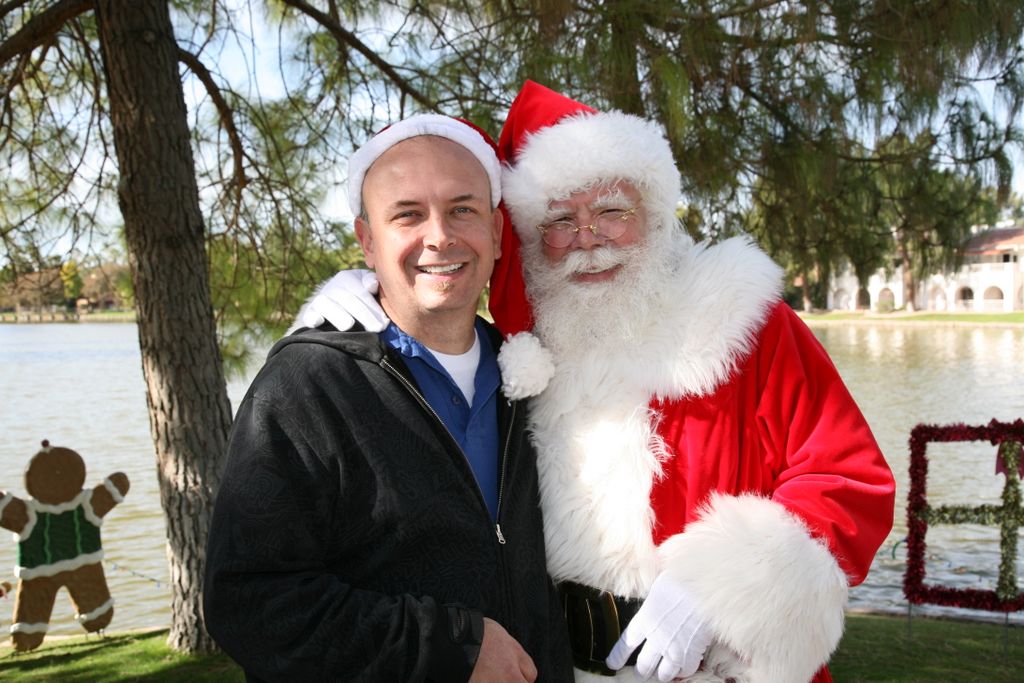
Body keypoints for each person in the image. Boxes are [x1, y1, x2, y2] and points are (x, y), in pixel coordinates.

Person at [299, 82, 897, 683]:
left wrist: (722, 587)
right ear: (533, 239)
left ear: (655, 214)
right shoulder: (518, 353)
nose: (587, 238)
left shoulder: (742, 324)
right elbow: (440, 236)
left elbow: (849, 480)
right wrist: (375, 292)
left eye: (613, 211)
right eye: (560, 220)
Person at [204, 113, 573, 683]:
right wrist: (451, 649)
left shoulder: (530, 374)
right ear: (367, 241)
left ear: (498, 232)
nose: (440, 236)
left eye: (463, 209)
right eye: (407, 214)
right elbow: (250, 603)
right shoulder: (308, 385)